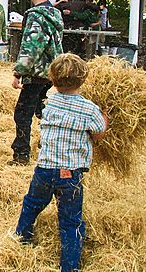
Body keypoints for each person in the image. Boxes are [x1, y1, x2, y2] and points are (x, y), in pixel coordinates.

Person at [15, 53, 108, 272]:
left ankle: (22, 238)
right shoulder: (89, 109)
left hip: (44, 169)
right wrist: (105, 116)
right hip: (70, 174)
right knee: (70, 220)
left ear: (52, 79)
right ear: (83, 79)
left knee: (31, 204)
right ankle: (69, 265)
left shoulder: (49, 102)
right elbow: (99, 134)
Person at [9, 0, 64, 166]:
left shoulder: (34, 16)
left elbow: (31, 47)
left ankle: (22, 154)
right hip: (52, 73)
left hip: (36, 73)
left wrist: (18, 73)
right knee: (42, 111)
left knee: (22, 113)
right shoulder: (56, 14)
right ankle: (50, 145)